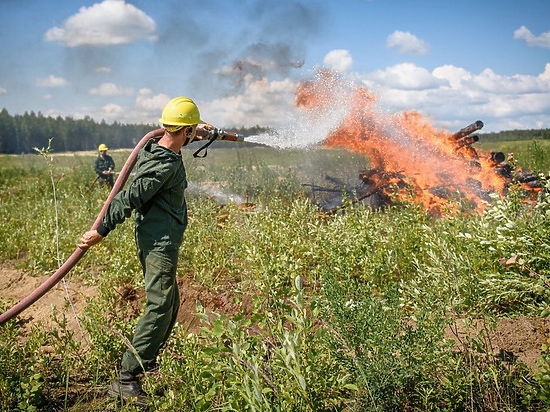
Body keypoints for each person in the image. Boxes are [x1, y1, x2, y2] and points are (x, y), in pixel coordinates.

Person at [78, 97, 214, 400]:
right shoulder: (161, 165)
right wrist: (101, 230)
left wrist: (199, 131)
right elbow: (128, 198)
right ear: (185, 130)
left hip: (164, 238)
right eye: (191, 131)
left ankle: (146, 363)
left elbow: (171, 134)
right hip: (158, 243)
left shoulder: (160, 143)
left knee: (171, 303)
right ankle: (127, 377)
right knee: (160, 304)